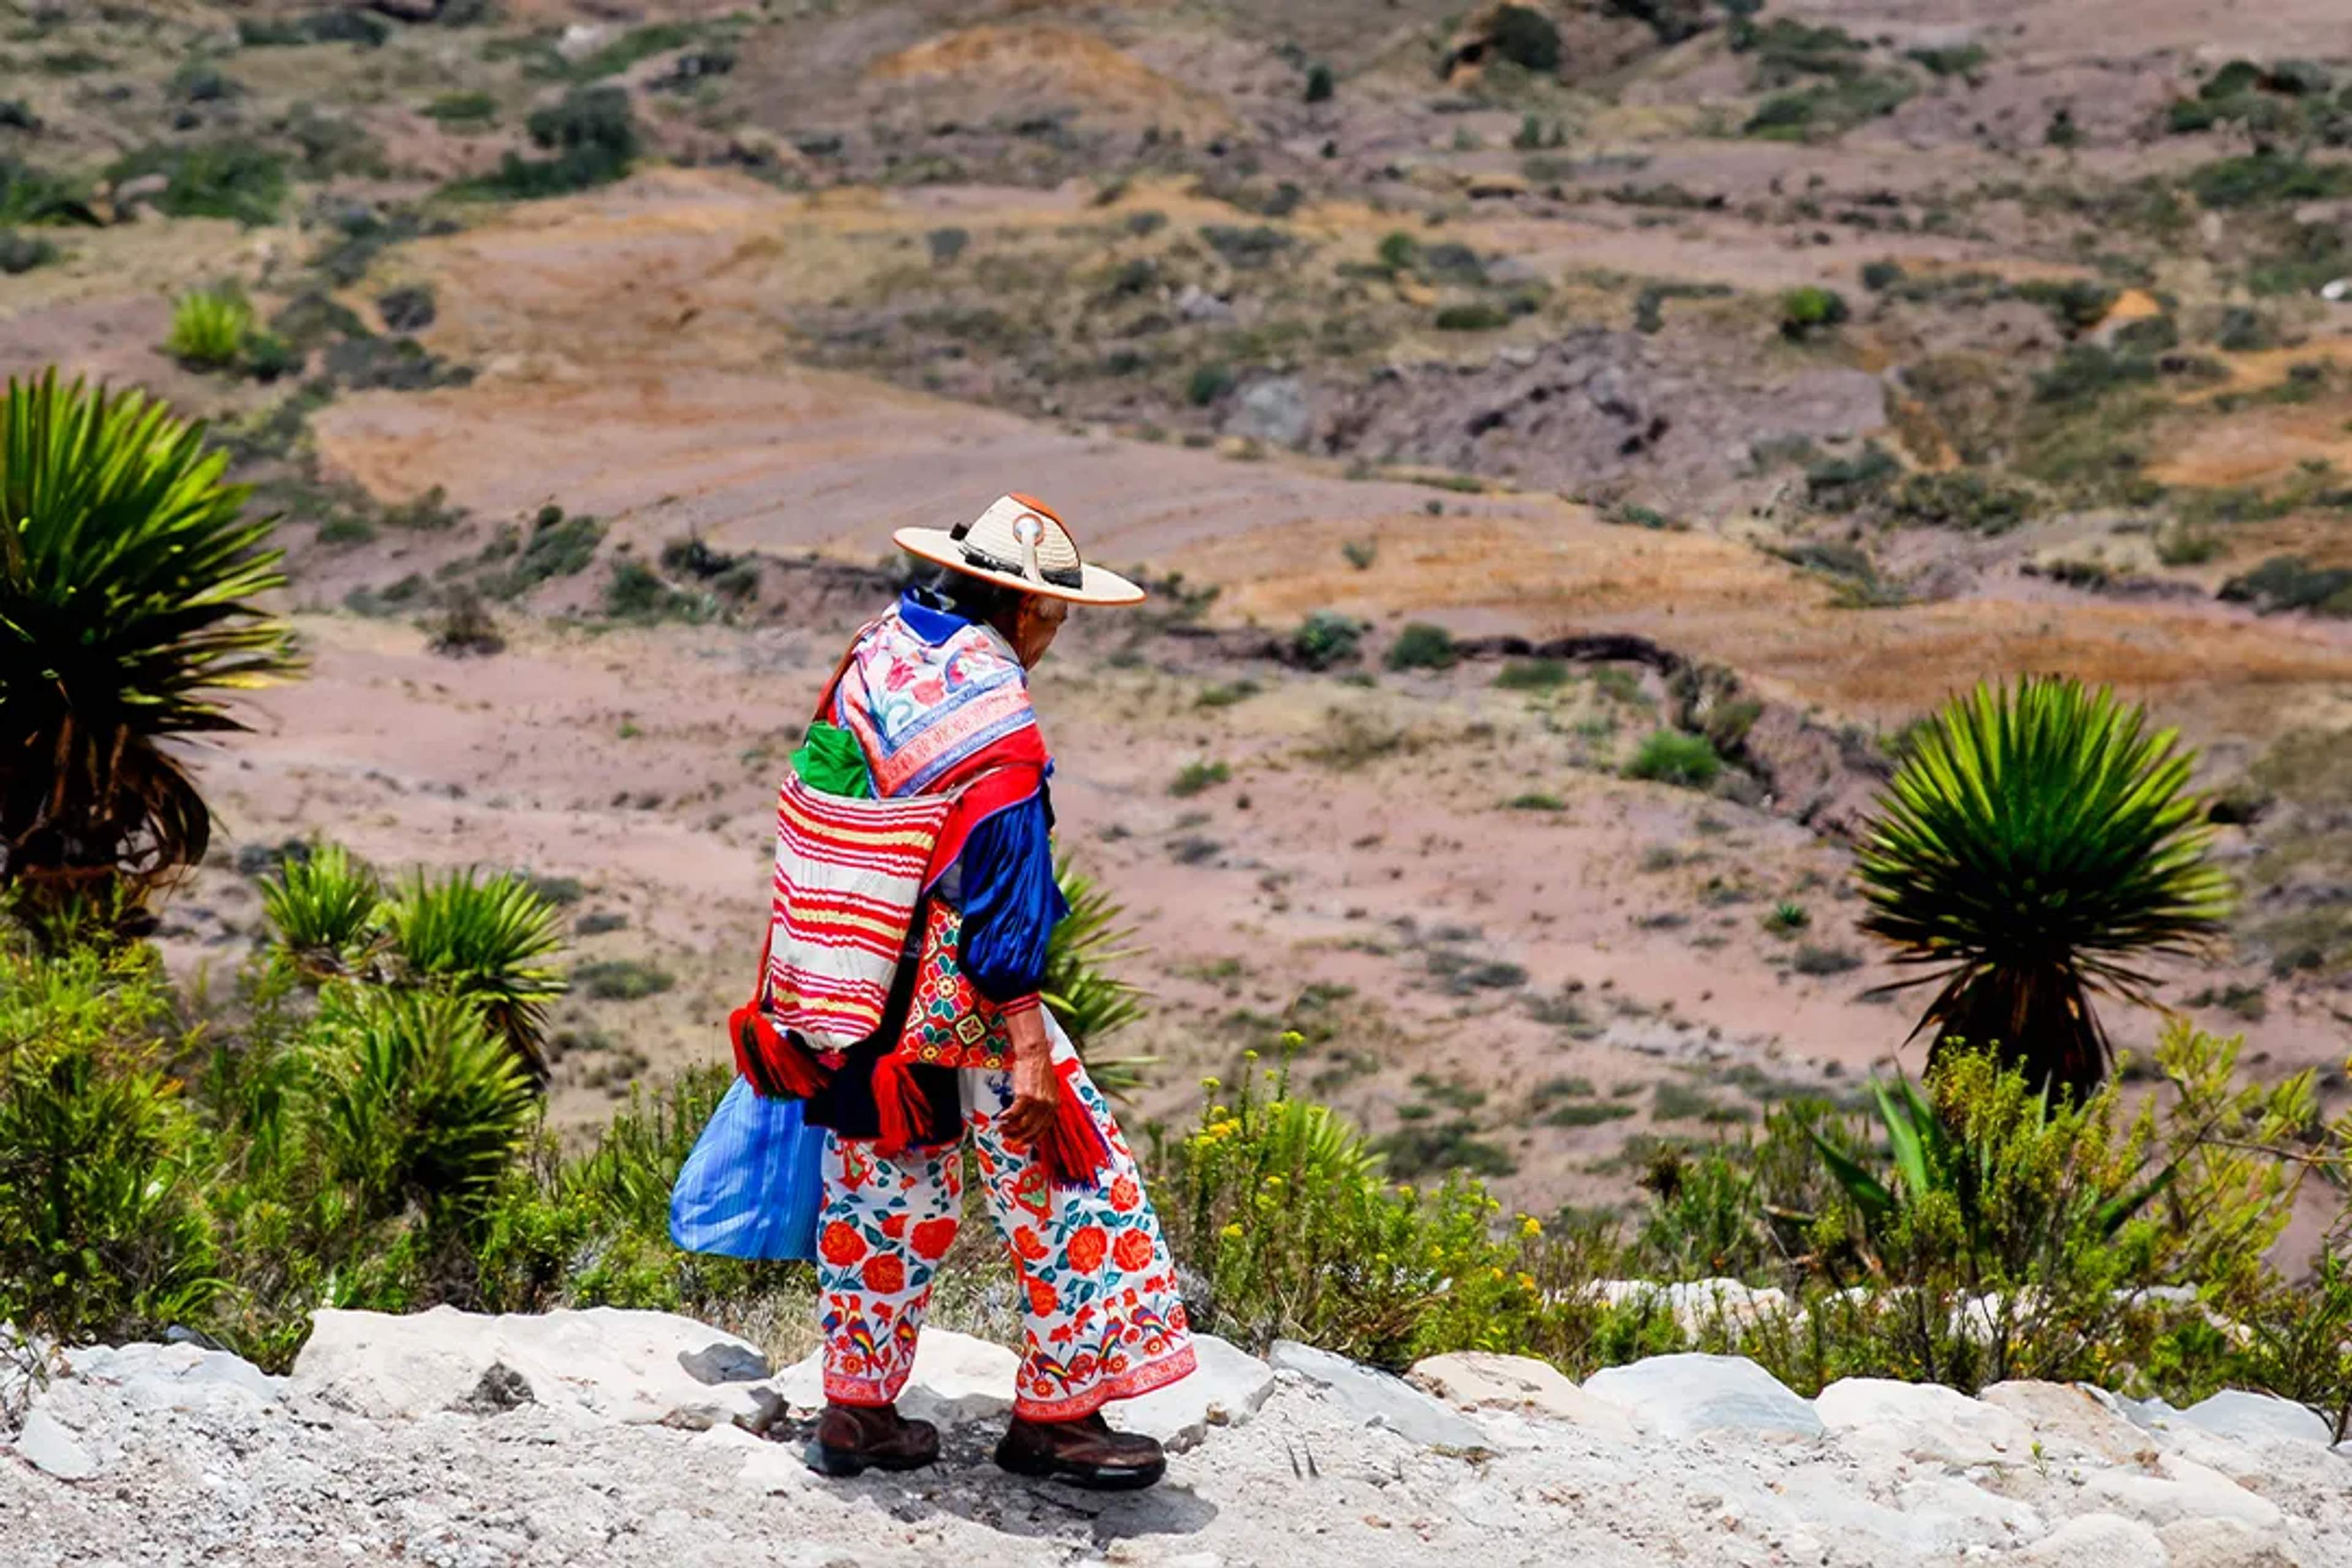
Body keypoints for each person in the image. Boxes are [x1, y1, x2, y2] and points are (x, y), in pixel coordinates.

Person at [790, 494, 1195, 1490]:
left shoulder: (878, 650)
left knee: (882, 1189)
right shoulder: (994, 713)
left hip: (852, 969)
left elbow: (826, 781)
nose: (1054, 640)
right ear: (1020, 610)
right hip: (960, 990)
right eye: (1055, 621)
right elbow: (1007, 883)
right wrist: (1026, 1045)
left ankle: (858, 1412)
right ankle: (1059, 1420)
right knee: (1069, 1184)